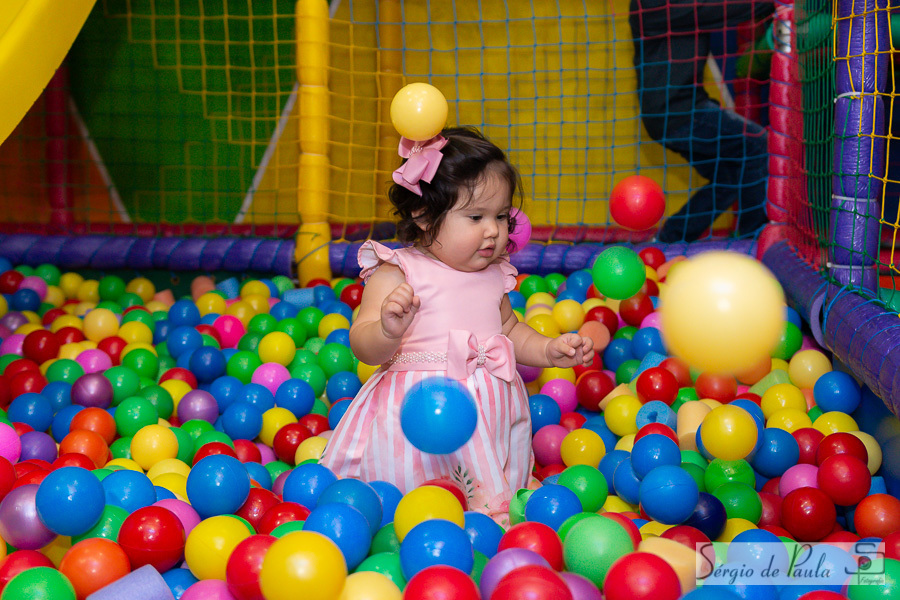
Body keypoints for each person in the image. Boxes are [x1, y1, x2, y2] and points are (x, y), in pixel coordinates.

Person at [319, 127, 594, 523]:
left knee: (485, 507)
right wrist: (387, 330)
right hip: (420, 414)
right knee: (412, 502)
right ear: (425, 215)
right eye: (476, 217)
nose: (494, 231)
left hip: (487, 414)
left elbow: (511, 331)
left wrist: (548, 349)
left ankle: (489, 512)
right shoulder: (398, 272)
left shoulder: (495, 274)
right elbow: (362, 345)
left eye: (501, 216)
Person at [630, 0, 774, 243]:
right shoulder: (654, 5)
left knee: (728, 176)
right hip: (677, 111)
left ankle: (669, 240)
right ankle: (753, 240)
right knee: (757, 144)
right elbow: (719, 10)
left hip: (680, 108)